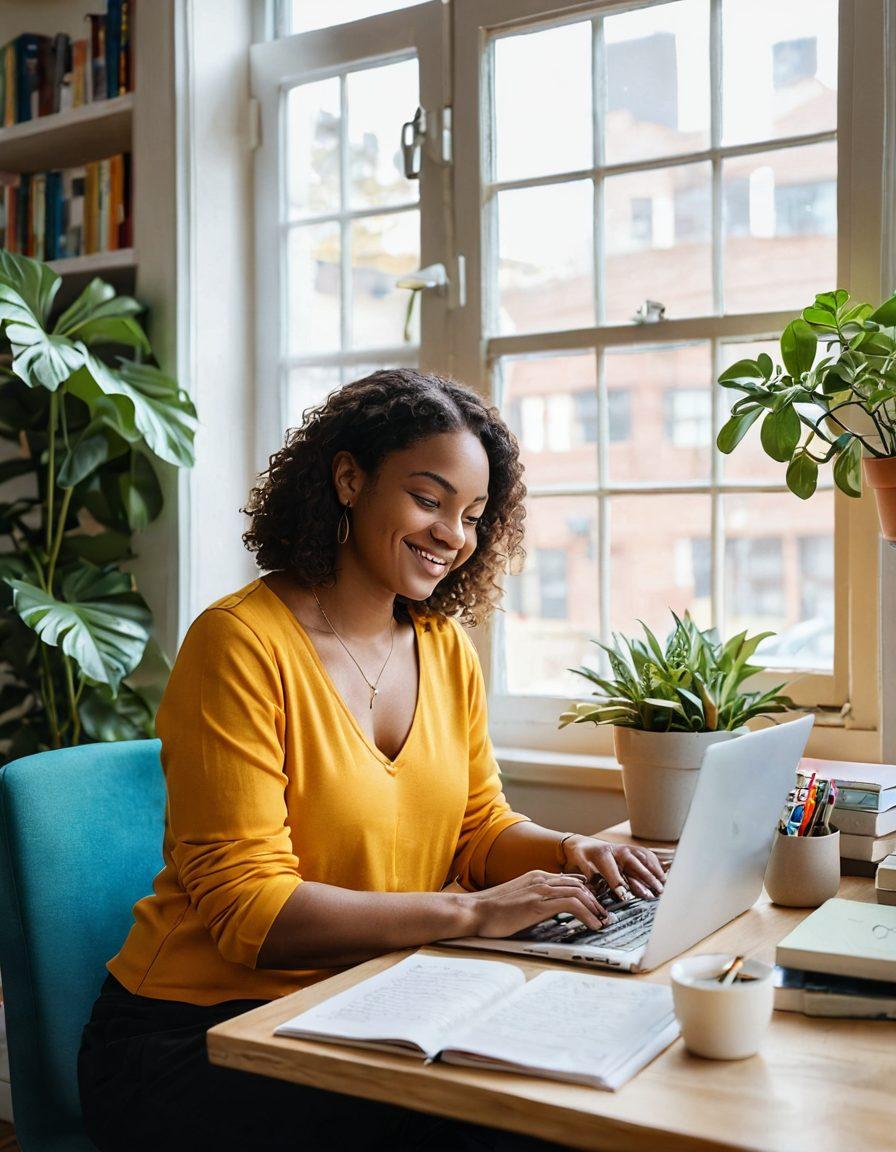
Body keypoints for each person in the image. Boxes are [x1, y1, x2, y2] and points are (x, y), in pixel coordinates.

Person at [78, 369, 665, 1152]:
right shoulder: (239, 643)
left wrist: (568, 853)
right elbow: (251, 911)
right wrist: (475, 913)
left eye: (473, 516)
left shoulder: (443, 647)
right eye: (429, 499)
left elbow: (476, 829)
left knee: (585, 1093)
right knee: (503, 1129)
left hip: (373, 1002)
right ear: (349, 479)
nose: (452, 534)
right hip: (197, 1036)